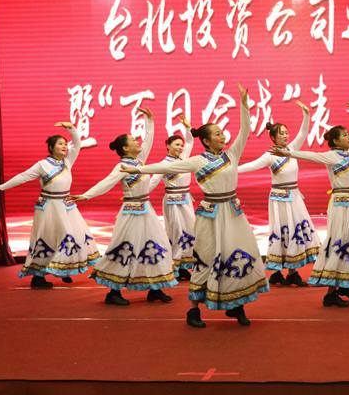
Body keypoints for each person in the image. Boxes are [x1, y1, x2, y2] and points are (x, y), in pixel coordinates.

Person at [124, 85, 268, 327]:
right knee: (206, 258)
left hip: (233, 213)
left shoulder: (232, 154)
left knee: (237, 255)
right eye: (217, 134)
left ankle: (236, 305)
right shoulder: (198, 161)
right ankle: (193, 310)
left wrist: (244, 104)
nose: (223, 136)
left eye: (222, 133)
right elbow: (167, 167)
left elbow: (245, 130)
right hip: (210, 215)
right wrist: (139, 169)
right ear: (206, 141)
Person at [71, 108, 177, 306]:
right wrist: (86, 195)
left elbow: (149, 140)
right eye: (133, 141)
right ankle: (113, 292)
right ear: (126, 148)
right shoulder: (122, 167)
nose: (138, 142)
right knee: (125, 248)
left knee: (155, 246)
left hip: (146, 211)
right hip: (131, 213)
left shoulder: (139, 161)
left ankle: (155, 288)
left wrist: (149, 120)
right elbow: (106, 183)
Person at [271, 104, 349, 307]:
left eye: (348, 134)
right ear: (335, 141)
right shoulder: (331, 156)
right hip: (339, 205)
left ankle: (347, 284)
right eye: (345, 135)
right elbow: (310, 155)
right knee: (340, 245)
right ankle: (330, 293)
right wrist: (288, 154)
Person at [0, 122, 99, 289]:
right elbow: (23, 176)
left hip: (67, 205)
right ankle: (38, 277)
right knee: (47, 239)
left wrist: (71, 128)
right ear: (51, 148)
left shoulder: (67, 161)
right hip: (49, 207)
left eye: (65, 144)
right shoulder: (42, 165)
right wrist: (1, 187)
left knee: (72, 237)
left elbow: (76, 143)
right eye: (60, 144)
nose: (64, 146)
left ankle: (63, 269)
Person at [237, 101, 319, 286]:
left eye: (286, 132)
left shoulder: (292, 150)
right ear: (273, 138)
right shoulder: (270, 156)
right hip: (279, 200)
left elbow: (303, 133)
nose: (285, 135)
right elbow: (251, 166)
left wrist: (306, 115)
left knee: (295, 231)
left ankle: (291, 272)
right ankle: (278, 272)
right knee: (282, 232)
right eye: (281, 133)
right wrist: (231, 169)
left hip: (295, 197)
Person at [160, 116, 197, 281]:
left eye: (181, 145)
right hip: (172, 202)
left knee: (190, 231)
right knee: (177, 232)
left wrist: (188, 128)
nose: (181, 147)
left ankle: (183, 266)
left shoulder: (184, 158)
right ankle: (173, 267)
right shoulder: (163, 164)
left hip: (186, 200)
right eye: (177, 144)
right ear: (168, 146)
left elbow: (190, 141)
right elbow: (152, 181)